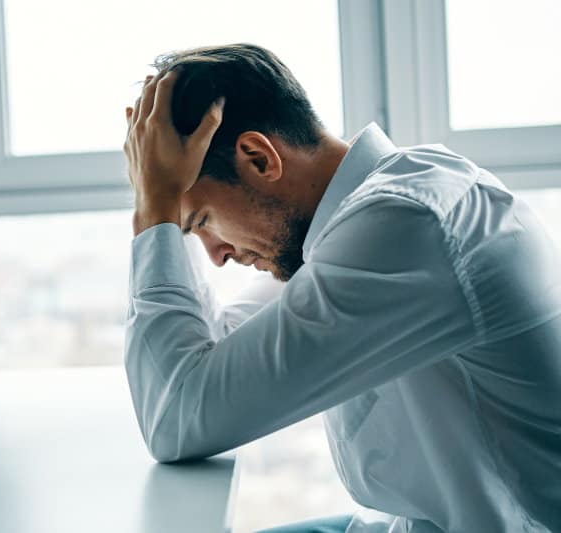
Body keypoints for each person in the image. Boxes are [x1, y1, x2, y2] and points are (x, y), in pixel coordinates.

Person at [121, 43, 561, 533]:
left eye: (203, 221)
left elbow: (177, 417)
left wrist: (153, 211)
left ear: (259, 159)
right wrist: (159, 202)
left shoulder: (406, 228)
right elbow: (210, 352)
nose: (217, 256)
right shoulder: (353, 225)